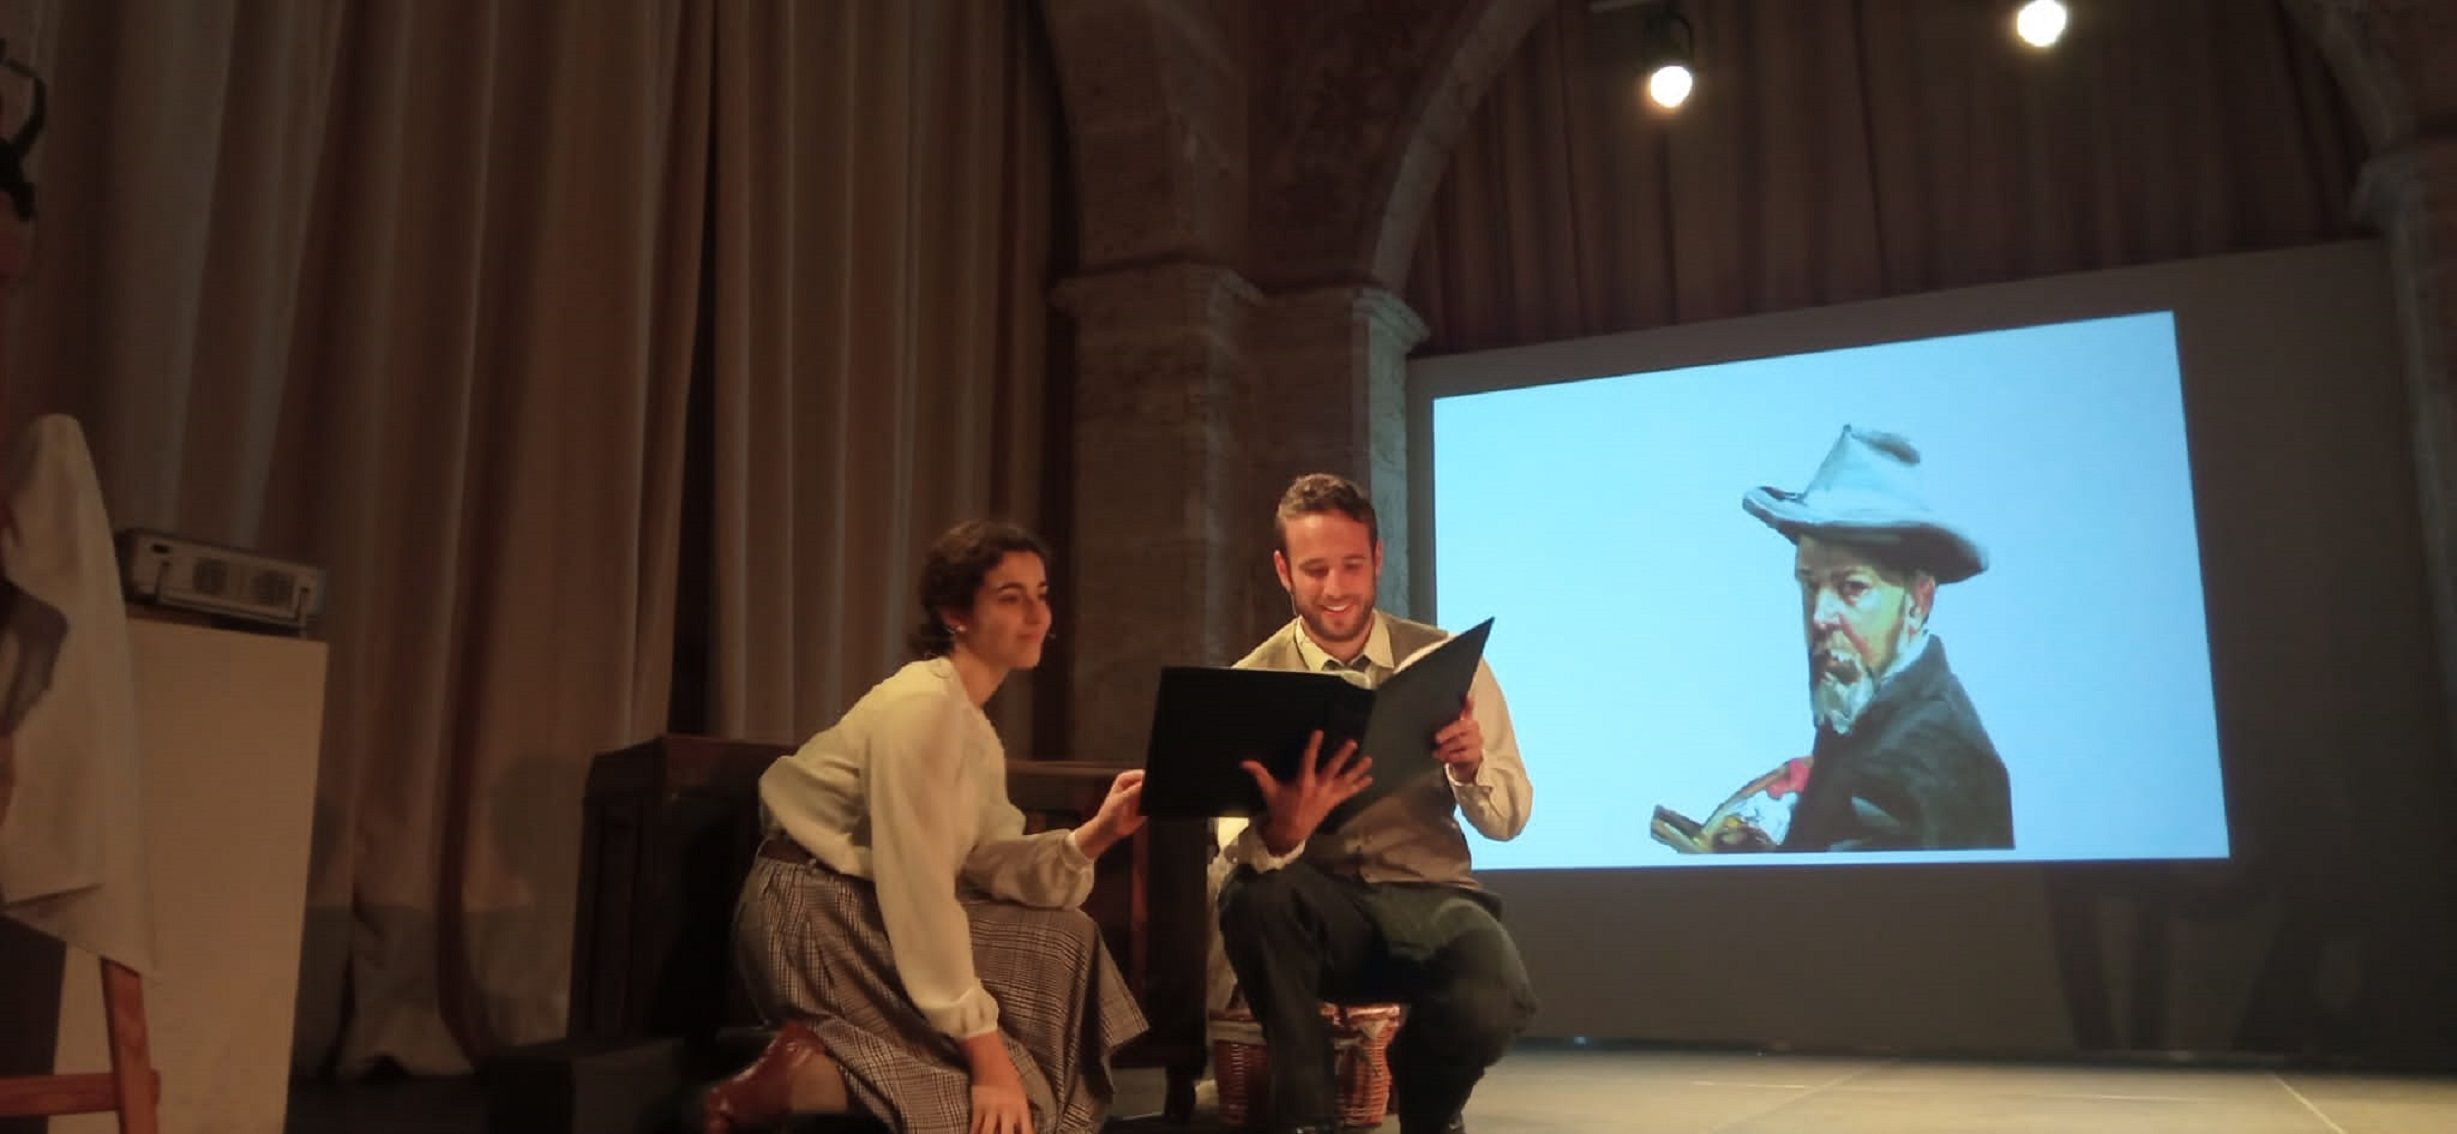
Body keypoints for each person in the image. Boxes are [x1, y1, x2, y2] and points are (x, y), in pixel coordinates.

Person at [705, 520, 1149, 1134]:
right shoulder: (920, 709)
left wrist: (1099, 833)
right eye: (1010, 597)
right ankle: (797, 1081)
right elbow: (919, 889)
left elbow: (988, 860)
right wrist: (986, 1057)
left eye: (1041, 594)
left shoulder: (969, 724)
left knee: (1066, 939)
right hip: (814, 916)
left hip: (862, 905)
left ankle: (826, 1074)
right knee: (1003, 1094)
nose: (1036, 615)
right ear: (954, 614)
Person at [1213, 473, 1536, 1134]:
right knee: (1250, 895)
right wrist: (1283, 832)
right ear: (1283, 571)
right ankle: (1307, 1118)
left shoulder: (1448, 662)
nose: (1336, 587)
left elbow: (1509, 819)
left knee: (1495, 1002)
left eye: (1352, 565)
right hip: (1318, 908)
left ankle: (1427, 1107)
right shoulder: (1250, 682)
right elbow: (1227, 841)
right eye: (1315, 569)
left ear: (1378, 559)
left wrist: (1471, 766)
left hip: (1431, 893)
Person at [1737, 425, 2013, 851]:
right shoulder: (1869, 707)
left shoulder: (1920, 758)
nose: (1821, 616)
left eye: (1852, 588)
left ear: (1919, 600)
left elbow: (1843, 892)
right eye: (1810, 585)